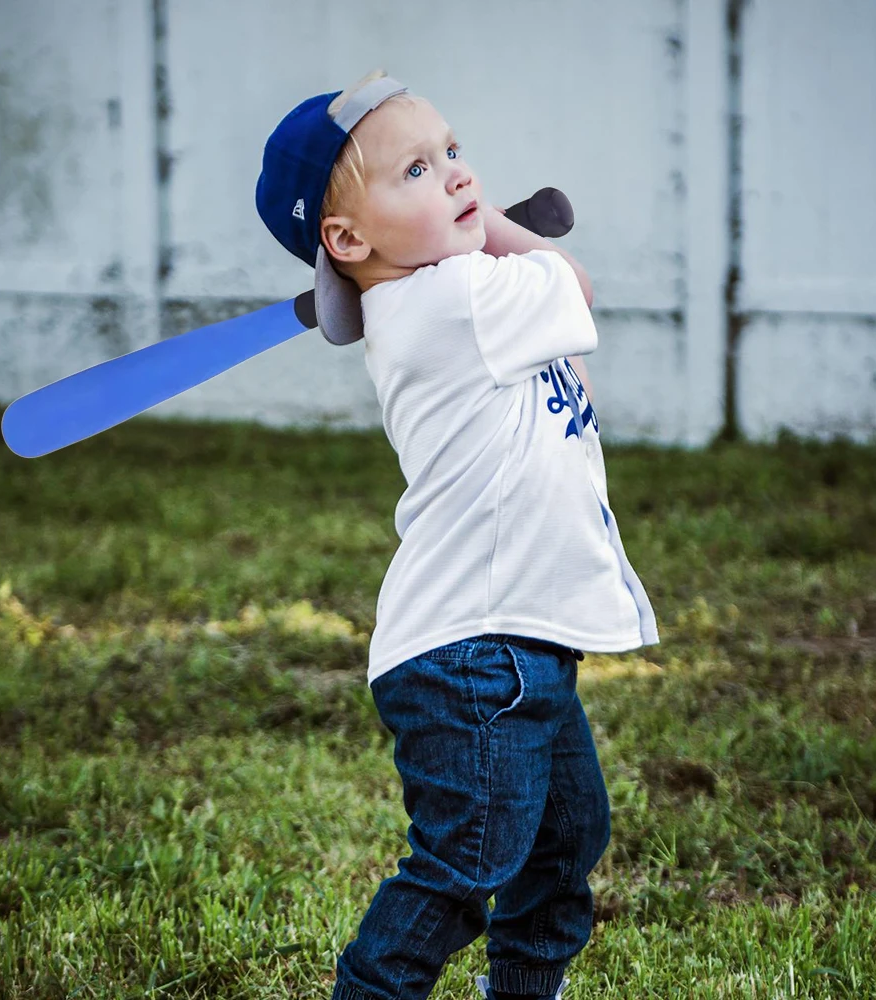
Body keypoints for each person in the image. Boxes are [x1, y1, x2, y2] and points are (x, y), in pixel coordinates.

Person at [255, 68, 659, 1000]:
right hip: (477, 650)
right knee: (465, 865)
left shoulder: (447, 299)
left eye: (452, 152)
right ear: (346, 240)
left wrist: (461, 216)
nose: (457, 174)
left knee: (561, 842)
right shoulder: (454, 299)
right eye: (417, 171)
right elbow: (574, 281)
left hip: (515, 638)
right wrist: (503, 223)